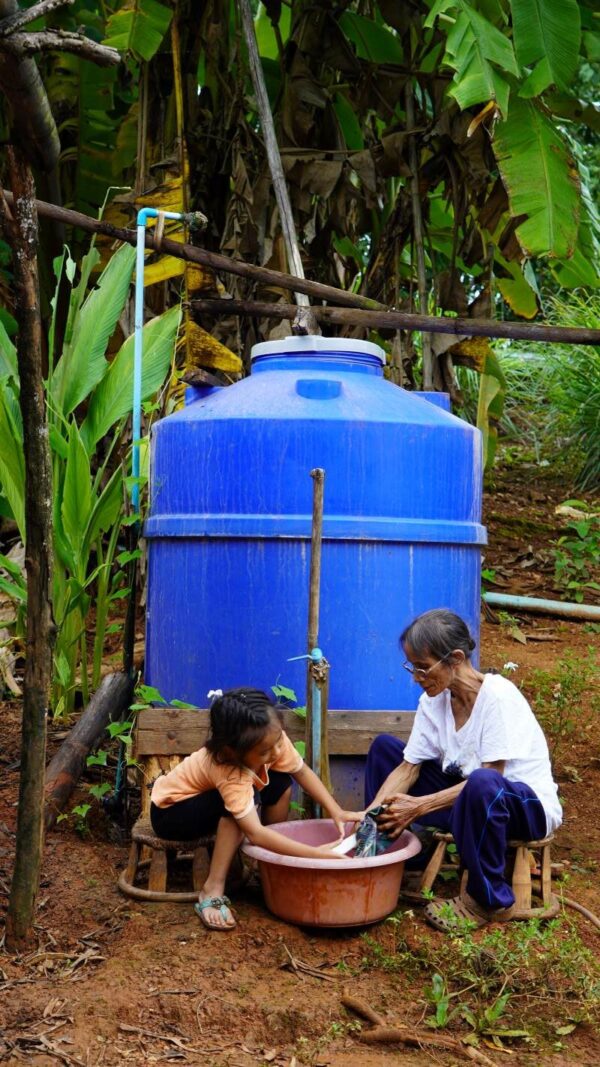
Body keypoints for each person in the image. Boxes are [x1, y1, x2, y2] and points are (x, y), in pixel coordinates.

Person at [365, 609, 562, 931]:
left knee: (483, 781)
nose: (416, 676)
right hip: (471, 803)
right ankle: (399, 855)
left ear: (455, 658)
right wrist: (370, 815)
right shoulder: (434, 700)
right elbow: (408, 766)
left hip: (523, 808)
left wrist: (418, 806)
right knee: (386, 749)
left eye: (423, 667)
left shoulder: (497, 697)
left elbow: (493, 777)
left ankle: (488, 899)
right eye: (411, 667)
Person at [150, 687, 363, 931]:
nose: (276, 752)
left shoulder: (271, 740)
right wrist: (317, 855)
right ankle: (212, 888)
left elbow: (301, 771)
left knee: (281, 782)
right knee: (235, 807)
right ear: (233, 751)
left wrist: (336, 810)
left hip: (207, 803)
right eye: (264, 751)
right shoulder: (229, 770)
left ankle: (272, 865)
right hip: (171, 813)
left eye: (278, 741)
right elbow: (255, 833)